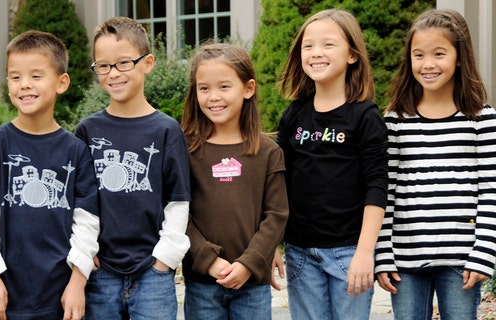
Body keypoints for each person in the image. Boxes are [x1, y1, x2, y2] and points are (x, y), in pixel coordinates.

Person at [0, 30, 100, 320]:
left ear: (61, 82)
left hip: (59, 294)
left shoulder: (76, 151)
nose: (24, 85)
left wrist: (78, 282)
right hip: (2, 295)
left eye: (36, 76)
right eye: (15, 77)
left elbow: (87, 223)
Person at [374, 9, 496, 319]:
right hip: (405, 260)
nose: (428, 64)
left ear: (458, 57)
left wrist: (483, 254)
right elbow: (385, 192)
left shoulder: (481, 119)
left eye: (439, 53)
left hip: (461, 259)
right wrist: (383, 254)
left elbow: (491, 191)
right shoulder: (396, 121)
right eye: (418, 55)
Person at [275, 9, 389, 320]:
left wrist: (366, 253)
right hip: (299, 252)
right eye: (307, 46)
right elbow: (276, 184)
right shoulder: (294, 115)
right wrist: (272, 243)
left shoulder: (365, 116)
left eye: (328, 44)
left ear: (352, 55)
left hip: (350, 253)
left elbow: (377, 188)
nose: (316, 53)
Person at [75, 16, 190, 320]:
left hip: (152, 272)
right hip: (101, 272)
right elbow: (80, 201)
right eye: (103, 65)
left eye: (124, 63)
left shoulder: (166, 130)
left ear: (148, 63)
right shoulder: (88, 130)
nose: (113, 74)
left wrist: (164, 260)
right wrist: (86, 253)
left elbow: (177, 201)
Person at [180, 42, 289, 320]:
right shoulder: (186, 150)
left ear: (248, 88)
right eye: (204, 88)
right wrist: (209, 261)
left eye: (224, 86)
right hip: (203, 282)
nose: (213, 96)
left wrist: (249, 263)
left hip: (251, 284)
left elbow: (276, 215)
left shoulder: (268, 152)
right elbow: (178, 213)